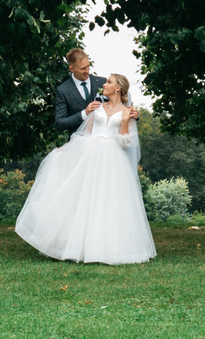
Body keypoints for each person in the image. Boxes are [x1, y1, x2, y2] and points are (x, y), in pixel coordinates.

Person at [15, 71, 157, 264]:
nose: (104, 85)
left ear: (118, 88)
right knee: (83, 199)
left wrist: (124, 122)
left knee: (107, 202)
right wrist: (65, 151)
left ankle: (105, 248)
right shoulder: (97, 107)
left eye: (108, 82)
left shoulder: (128, 113)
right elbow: (84, 134)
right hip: (90, 155)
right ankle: (75, 245)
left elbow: (125, 143)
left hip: (112, 158)